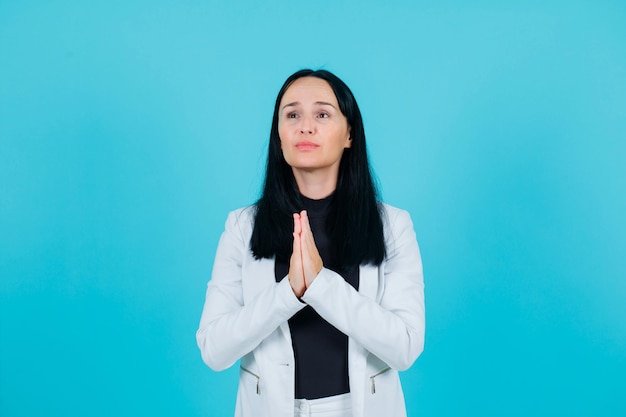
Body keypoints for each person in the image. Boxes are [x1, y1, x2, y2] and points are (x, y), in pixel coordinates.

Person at [196, 69, 425, 417]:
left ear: (350, 134)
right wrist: (288, 293)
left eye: (322, 114)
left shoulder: (392, 225)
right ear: (279, 136)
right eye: (292, 115)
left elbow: (405, 348)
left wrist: (321, 286)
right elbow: (214, 349)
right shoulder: (242, 227)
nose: (305, 126)